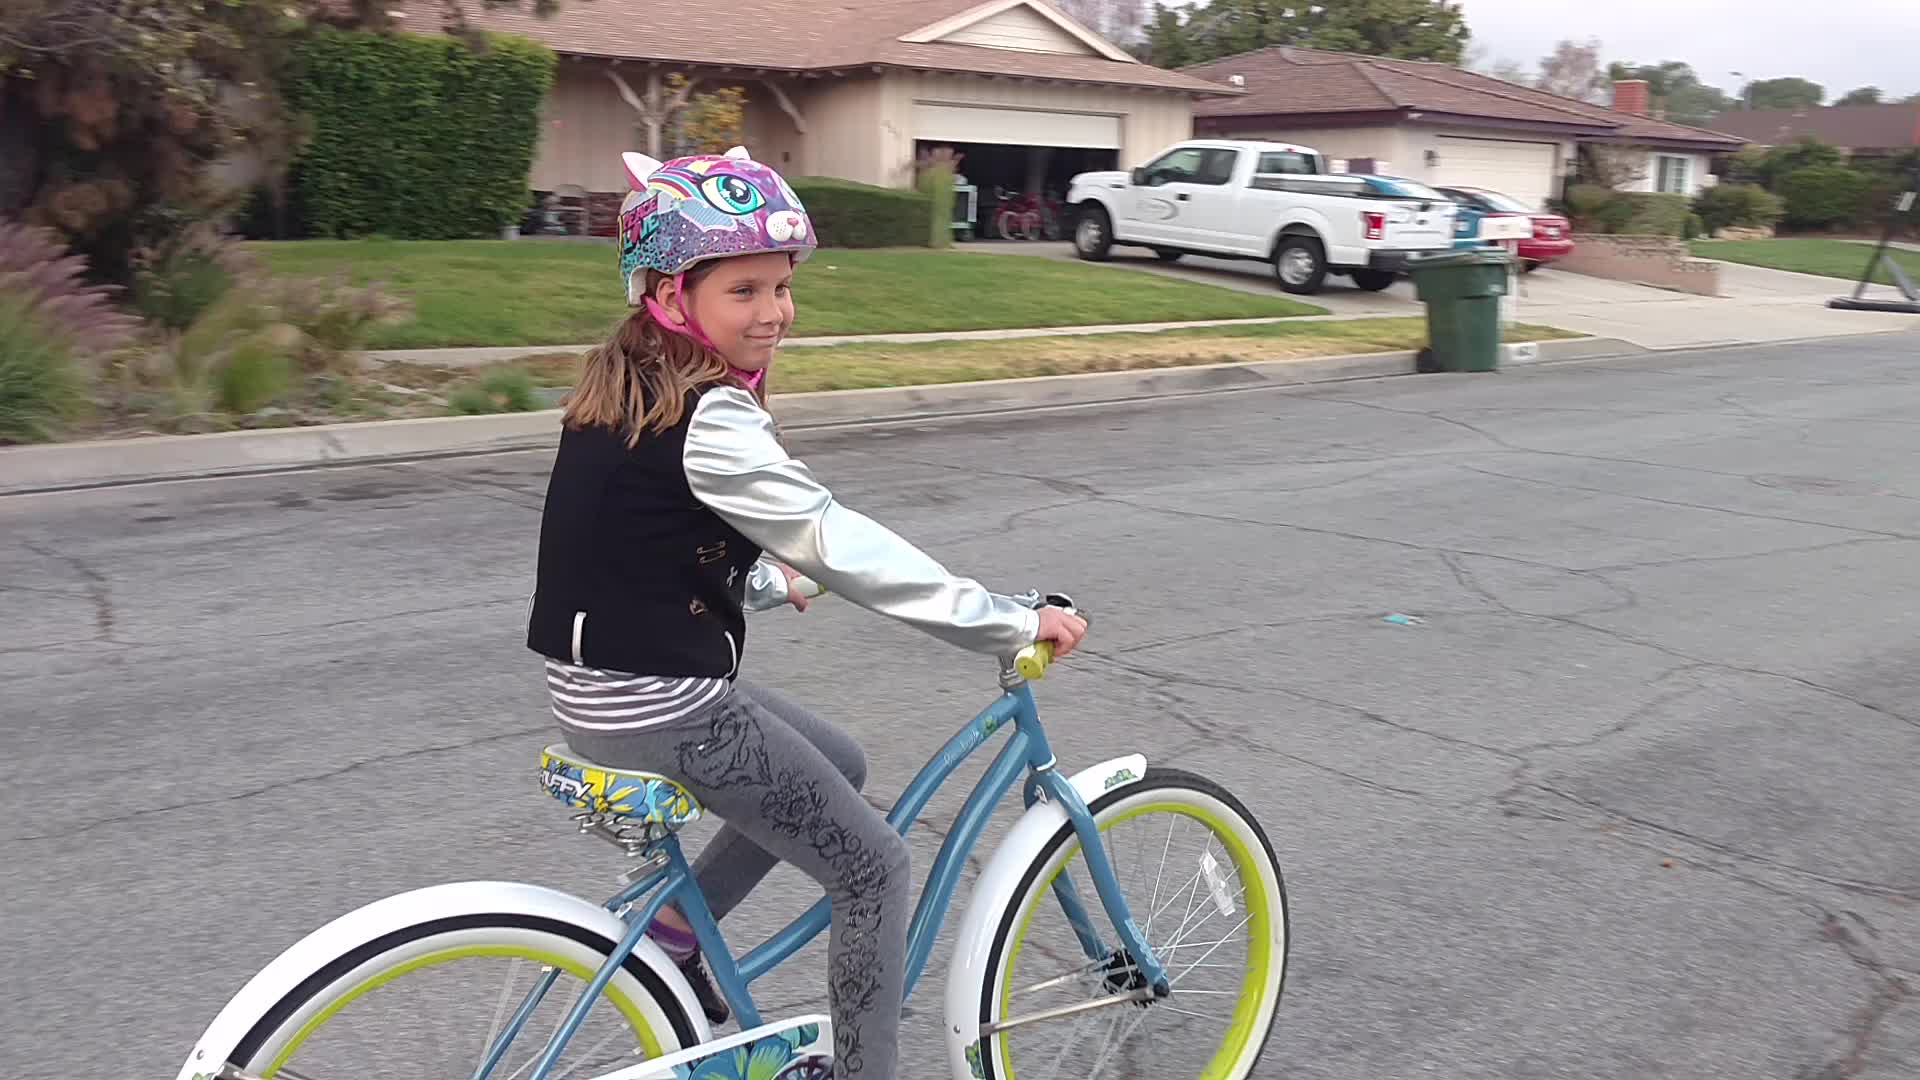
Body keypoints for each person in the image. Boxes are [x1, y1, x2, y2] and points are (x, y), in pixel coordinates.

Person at [525, 146, 1089, 1080]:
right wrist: (1004, 620)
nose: (775, 312)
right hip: (666, 708)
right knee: (874, 867)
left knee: (843, 762)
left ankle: (672, 938)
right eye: (744, 290)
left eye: (782, 286)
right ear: (670, 294)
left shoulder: (624, 382)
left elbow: (631, 537)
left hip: (599, 691)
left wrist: (756, 582)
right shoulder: (711, 414)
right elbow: (837, 541)